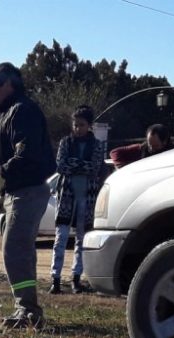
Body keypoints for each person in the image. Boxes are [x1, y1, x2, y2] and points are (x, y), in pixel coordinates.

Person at [0, 62, 56, 329]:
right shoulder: (15, 111)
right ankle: (26, 308)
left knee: (15, 251)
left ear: (7, 84)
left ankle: (27, 310)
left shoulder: (22, 111)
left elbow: (25, 154)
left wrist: (2, 175)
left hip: (27, 192)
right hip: (20, 192)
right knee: (20, 252)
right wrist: (4, 192)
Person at [51, 105, 105, 295]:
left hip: (87, 197)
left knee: (82, 239)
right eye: (75, 125)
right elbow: (60, 166)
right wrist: (82, 165)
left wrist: (74, 164)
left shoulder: (97, 145)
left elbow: (95, 167)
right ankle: (55, 279)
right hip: (67, 196)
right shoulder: (65, 142)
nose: (77, 128)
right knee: (61, 237)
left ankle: (76, 278)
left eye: (81, 125)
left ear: (89, 125)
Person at [109, 123, 174, 169]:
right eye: (149, 145)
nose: (151, 149)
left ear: (164, 141)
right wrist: (123, 168)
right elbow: (115, 152)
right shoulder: (141, 149)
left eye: (155, 146)